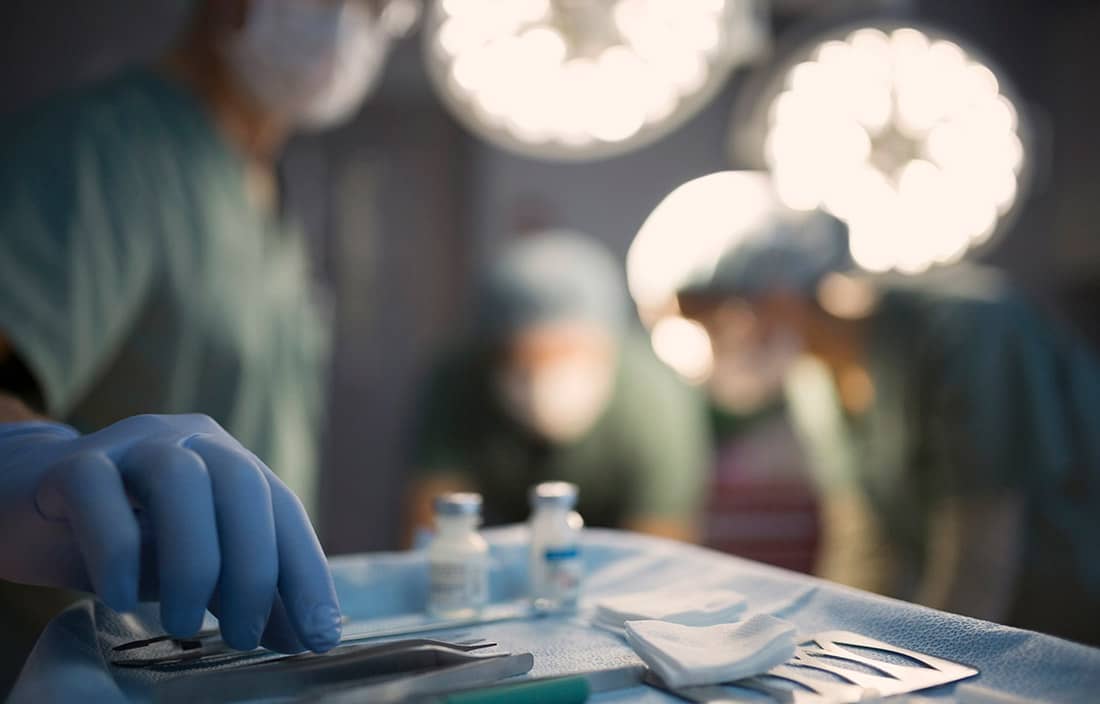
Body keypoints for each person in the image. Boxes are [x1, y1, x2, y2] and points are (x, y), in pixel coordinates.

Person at [0, 0, 407, 689]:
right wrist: (33, 470)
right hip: (78, 669)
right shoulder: (100, 149)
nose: (351, 22)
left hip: (218, 666)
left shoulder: (264, 190)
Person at [676, 197, 1100, 645]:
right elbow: (861, 536)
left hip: (1062, 615)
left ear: (779, 297)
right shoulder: (811, 373)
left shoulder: (970, 326)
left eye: (715, 325)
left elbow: (982, 544)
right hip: (972, 615)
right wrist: (831, 649)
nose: (713, 347)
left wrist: (930, 665)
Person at [406, 231, 711, 543]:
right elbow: (433, 539)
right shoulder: (457, 382)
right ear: (490, 356)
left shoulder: (657, 400)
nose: (544, 384)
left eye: (567, 354)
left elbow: (661, 554)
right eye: (523, 361)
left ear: (609, 345)